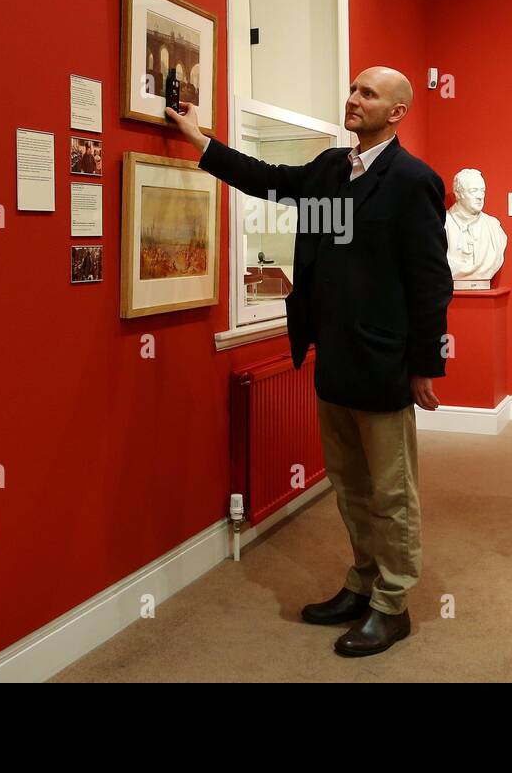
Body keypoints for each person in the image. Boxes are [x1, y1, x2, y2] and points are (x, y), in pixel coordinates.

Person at [165, 65, 452, 657]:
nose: (353, 98)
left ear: (397, 112)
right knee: (349, 486)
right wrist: (201, 141)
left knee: (390, 492)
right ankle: (362, 581)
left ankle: (392, 604)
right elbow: (267, 179)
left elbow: (430, 281)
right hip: (333, 355)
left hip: (384, 364)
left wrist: (425, 364)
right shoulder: (328, 169)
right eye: (352, 88)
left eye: (367, 93)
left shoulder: (412, 180)